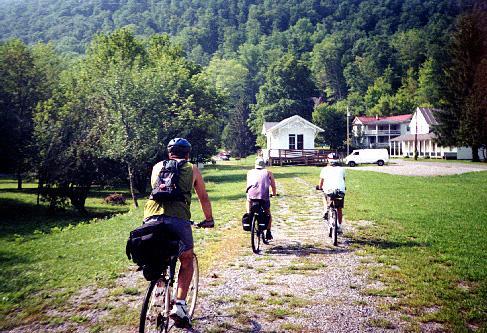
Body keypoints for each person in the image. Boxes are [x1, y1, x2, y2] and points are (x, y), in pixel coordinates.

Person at [143, 138, 214, 328]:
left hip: (151, 218)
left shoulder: (157, 167)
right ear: (188, 154)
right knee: (186, 258)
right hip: (178, 219)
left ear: (169, 153)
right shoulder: (192, 169)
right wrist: (209, 219)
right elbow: (203, 198)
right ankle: (180, 306)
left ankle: (159, 288)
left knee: (158, 254)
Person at [246, 158, 277, 240]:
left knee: (248, 200)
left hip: (252, 195)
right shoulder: (268, 173)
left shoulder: (249, 172)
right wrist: (274, 194)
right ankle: (268, 232)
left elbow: (248, 184)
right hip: (263, 196)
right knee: (268, 213)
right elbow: (273, 186)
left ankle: (249, 214)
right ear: (264, 165)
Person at [318, 153, 346, 232]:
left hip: (329, 190)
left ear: (328, 160)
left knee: (324, 195)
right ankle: (339, 226)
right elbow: (343, 180)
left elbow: (321, 183)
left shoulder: (324, 169)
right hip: (340, 190)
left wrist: (319, 187)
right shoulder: (342, 169)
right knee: (339, 208)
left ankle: (326, 208)